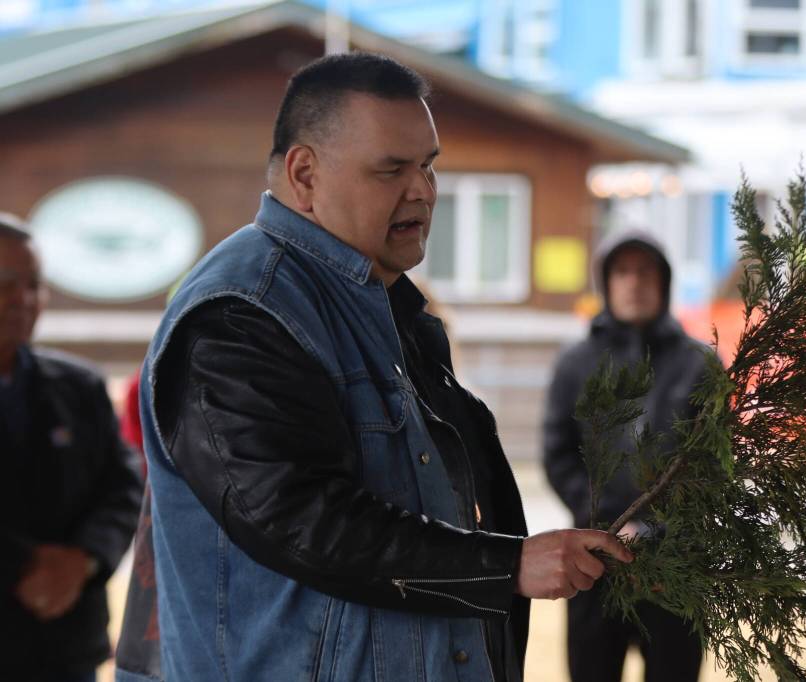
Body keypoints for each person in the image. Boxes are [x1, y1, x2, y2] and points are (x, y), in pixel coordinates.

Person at [114, 53, 631, 682]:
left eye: (428, 166)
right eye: (391, 170)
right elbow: (298, 518)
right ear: (305, 174)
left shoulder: (381, 303)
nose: (422, 191)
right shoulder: (239, 316)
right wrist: (506, 565)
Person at [543, 229, 708, 682]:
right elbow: (558, 455)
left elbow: (715, 467)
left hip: (675, 566)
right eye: (622, 271)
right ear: (606, 282)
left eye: (645, 271)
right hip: (594, 561)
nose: (634, 281)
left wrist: (660, 529)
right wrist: (612, 522)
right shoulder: (575, 363)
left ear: (665, 282)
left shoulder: (699, 365)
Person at [0, 214, 143, 682]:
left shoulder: (77, 385)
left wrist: (84, 559)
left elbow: (123, 486)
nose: (22, 299)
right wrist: (25, 565)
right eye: (5, 283)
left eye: (33, 284)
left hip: (66, 645)